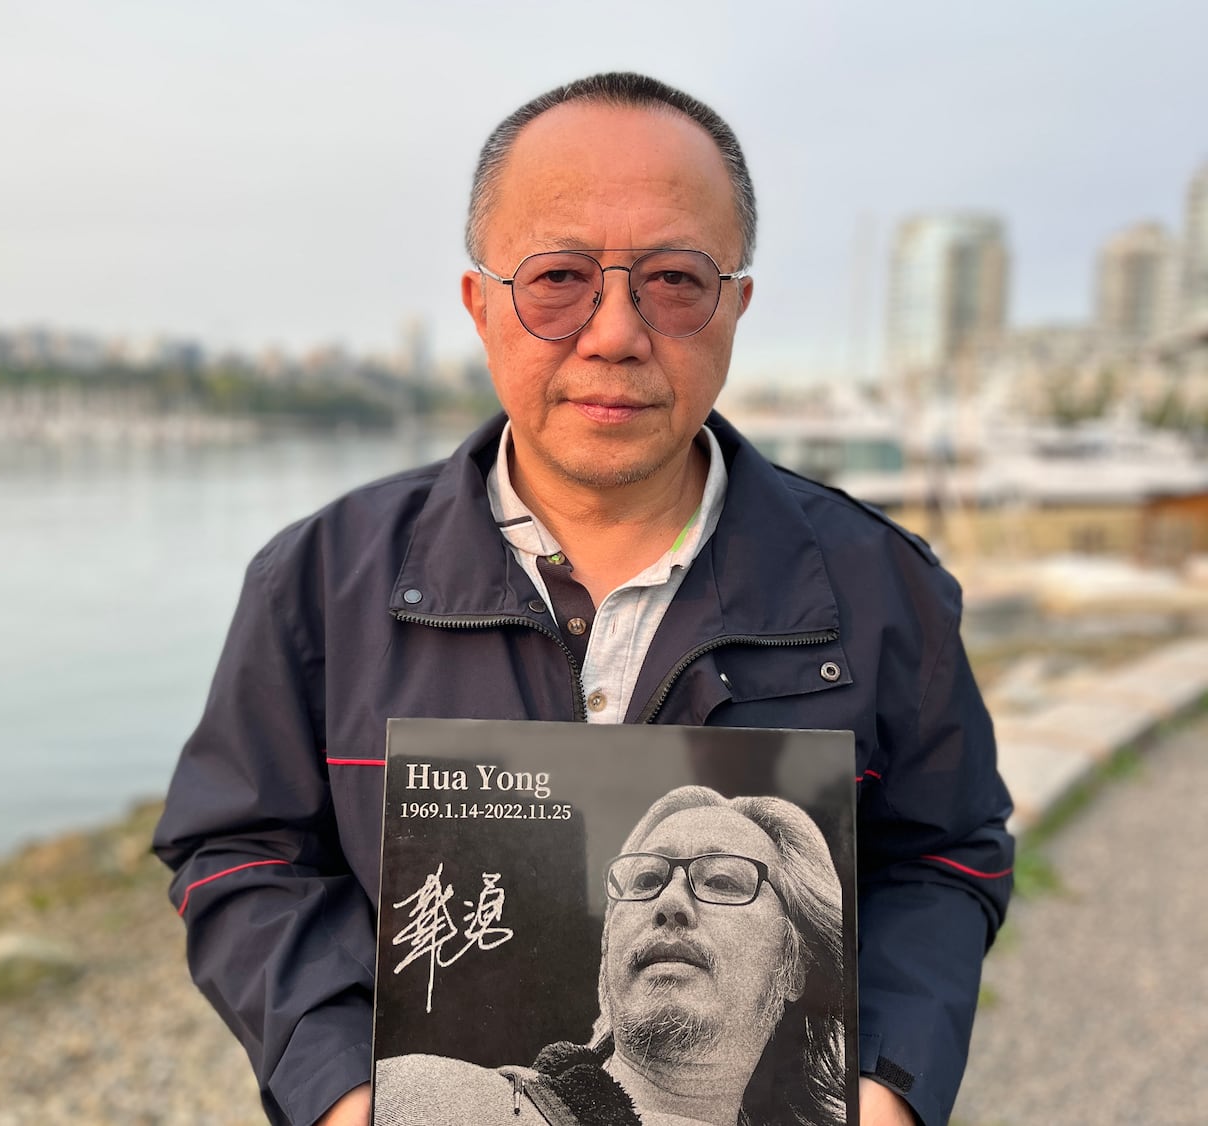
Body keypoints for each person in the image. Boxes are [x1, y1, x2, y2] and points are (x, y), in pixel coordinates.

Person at [154, 72, 1014, 1126]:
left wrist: (887, 1081)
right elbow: (239, 849)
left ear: (736, 305)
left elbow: (943, 852)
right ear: (480, 304)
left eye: (672, 279)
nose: (612, 331)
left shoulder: (883, 588)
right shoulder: (321, 582)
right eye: (557, 276)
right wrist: (340, 1086)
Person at [374, 784, 847, 1126]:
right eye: (644, 881)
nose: (671, 904)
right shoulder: (426, 1102)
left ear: (794, 964)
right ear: (607, 950)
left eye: (722, 880)